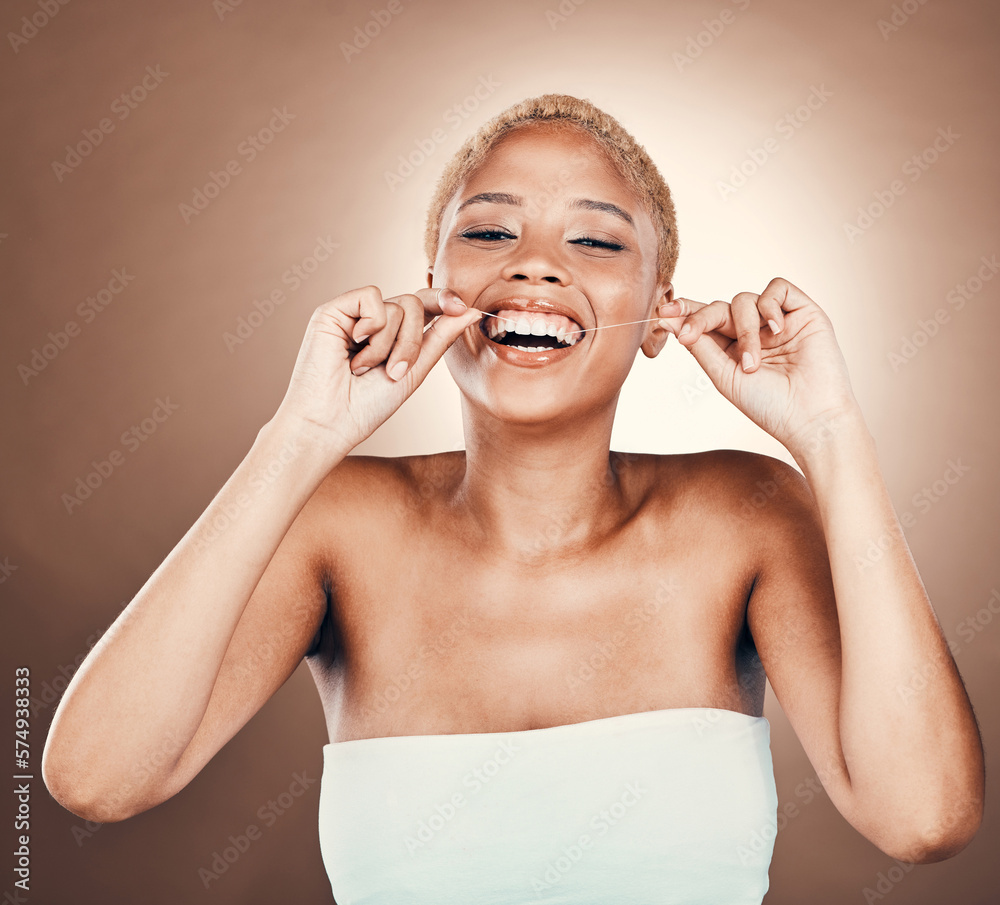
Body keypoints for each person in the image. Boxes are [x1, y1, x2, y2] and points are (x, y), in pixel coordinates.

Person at [42, 93, 984, 903]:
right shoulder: (337, 521)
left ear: (660, 311)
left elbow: (924, 817)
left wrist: (832, 435)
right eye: (489, 232)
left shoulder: (747, 512)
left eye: (594, 239)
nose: (534, 264)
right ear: (435, 289)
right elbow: (97, 778)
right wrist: (300, 436)